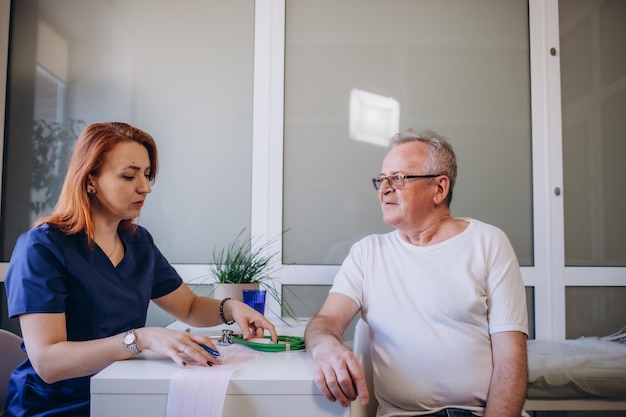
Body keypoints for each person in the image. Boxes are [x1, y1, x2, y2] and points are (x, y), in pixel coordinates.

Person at [3, 121, 277, 417]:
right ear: (90, 180)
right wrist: (141, 338)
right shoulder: (42, 248)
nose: (145, 187)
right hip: (58, 406)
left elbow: (189, 306)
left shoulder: (138, 242)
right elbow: (48, 362)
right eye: (129, 176)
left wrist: (231, 308)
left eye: (147, 175)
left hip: (125, 393)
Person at [305, 129, 529, 417]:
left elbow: (511, 359)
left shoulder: (488, 242)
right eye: (381, 180)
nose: (384, 189)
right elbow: (325, 321)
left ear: (440, 189)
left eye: (398, 178)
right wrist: (325, 347)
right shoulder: (367, 253)